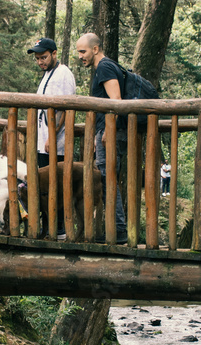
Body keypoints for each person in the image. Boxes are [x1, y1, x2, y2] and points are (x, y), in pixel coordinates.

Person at [75, 32, 128, 244]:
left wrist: (107, 130)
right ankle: (117, 230)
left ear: (95, 49)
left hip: (110, 132)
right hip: (108, 132)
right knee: (108, 180)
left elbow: (115, 100)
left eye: (83, 51)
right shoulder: (105, 67)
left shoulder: (105, 67)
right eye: (78, 52)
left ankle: (119, 231)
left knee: (107, 181)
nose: (80, 56)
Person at [27, 37, 76, 237]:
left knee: (56, 185)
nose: (40, 62)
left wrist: (52, 137)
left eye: (44, 57)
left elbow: (65, 109)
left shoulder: (63, 74)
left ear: (55, 54)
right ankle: (48, 228)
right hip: (44, 142)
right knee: (46, 187)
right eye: (38, 59)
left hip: (55, 143)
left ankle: (60, 230)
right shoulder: (49, 73)